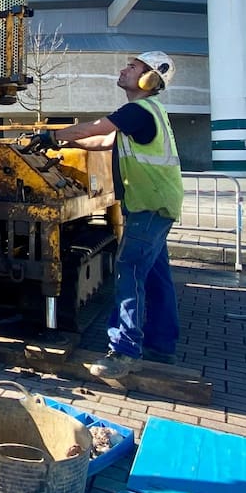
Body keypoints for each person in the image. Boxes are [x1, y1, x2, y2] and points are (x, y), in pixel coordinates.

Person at [31, 51, 183, 380]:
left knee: (128, 272)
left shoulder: (137, 110)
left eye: (133, 67)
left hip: (149, 207)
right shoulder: (147, 113)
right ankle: (162, 345)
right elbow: (103, 139)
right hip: (158, 205)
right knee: (156, 275)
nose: (125, 70)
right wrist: (61, 146)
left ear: (149, 78)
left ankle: (125, 351)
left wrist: (51, 136)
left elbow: (96, 126)